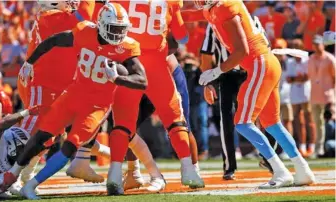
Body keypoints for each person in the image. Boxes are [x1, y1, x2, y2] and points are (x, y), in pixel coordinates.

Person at [0, 4, 148, 199]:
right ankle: (12, 175)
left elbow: (142, 81)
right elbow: (54, 41)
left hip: (96, 106)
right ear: (101, 25)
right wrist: (29, 62)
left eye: (121, 29)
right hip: (72, 94)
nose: (118, 34)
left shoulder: (126, 46)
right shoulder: (84, 30)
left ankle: (31, 184)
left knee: (71, 144)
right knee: (42, 133)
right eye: (113, 28)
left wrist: (117, 78)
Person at [183, 0, 315, 189]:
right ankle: (302, 169)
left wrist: (216, 71)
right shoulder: (214, 8)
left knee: (243, 122)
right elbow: (188, 11)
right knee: (272, 124)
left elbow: (241, 51)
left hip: (258, 64)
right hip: (266, 63)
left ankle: (279, 171)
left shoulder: (225, 7)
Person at [106, 0, 204, 195]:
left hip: (129, 63)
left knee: (122, 123)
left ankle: (114, 175)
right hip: (157, 64)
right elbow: (182, 36)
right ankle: (189, 170)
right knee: (174, 119)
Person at [200, 24, 246, 180]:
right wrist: (208, 83)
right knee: (226, 120)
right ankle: (229, 166)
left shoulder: (248, 19)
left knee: (259, 117)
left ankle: (269, 160)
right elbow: (206, 54)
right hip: (226, 75)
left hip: (249, 72)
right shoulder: (213, 25)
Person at [0, 106, 40, 196]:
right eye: (23, 149)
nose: (24, 153)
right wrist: (27, 112)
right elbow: (1, 124)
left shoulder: (15, 161)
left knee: (3, 183)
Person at [286, 39, 315, 158]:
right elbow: (289, 79)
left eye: (297, 46)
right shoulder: (290, 62)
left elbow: (307, 77)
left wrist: (296, 79)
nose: (295, 49)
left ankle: (312, 146)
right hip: (294, 94)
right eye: (293, 47)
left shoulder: (307, 60)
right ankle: (302, 145)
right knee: (298, 120)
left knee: (309, 119)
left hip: (306, 93)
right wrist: (298, 79)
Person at [307, 35, 336, 157]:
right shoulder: (311, 58)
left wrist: (333, 95)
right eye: (314, 44)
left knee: (330, 123)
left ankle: (330, 148)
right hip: (314, 95)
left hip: (327, 95)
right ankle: (319, 150)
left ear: (323, 44)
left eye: (318, 44)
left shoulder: (330, 58)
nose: (316, 46)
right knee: (317, 124)